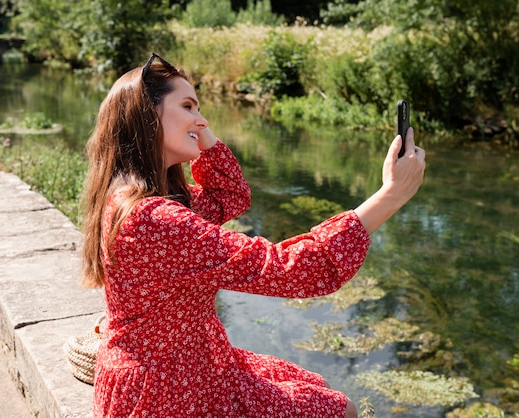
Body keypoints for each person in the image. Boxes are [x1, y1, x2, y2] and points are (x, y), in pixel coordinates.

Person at [81, 52, 425, 418]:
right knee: (342, 410)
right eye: (187, 105)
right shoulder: (155, 219)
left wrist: (196, 129)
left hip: (188, 368)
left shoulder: (142, 198)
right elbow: (287, 269)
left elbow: (229, 196)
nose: (202, 118)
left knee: (311, 384)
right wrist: (391, 195)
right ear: (147, 117)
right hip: (167, 393)